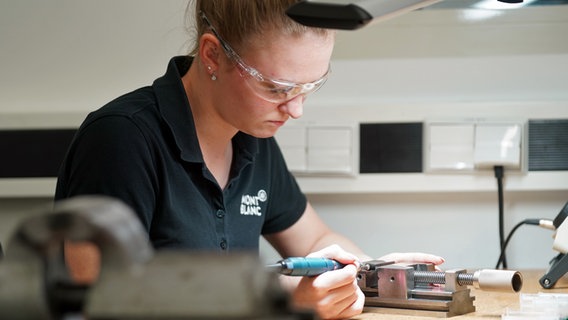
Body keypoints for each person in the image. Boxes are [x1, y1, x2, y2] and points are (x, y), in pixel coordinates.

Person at [55, 1, 444, 319]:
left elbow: (315, 239)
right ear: (212, 55)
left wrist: (367, 271)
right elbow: (99, 293)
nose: (296, 110)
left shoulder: (252, 138)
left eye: (311, 86)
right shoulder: (122, 138)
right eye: (277, 88)